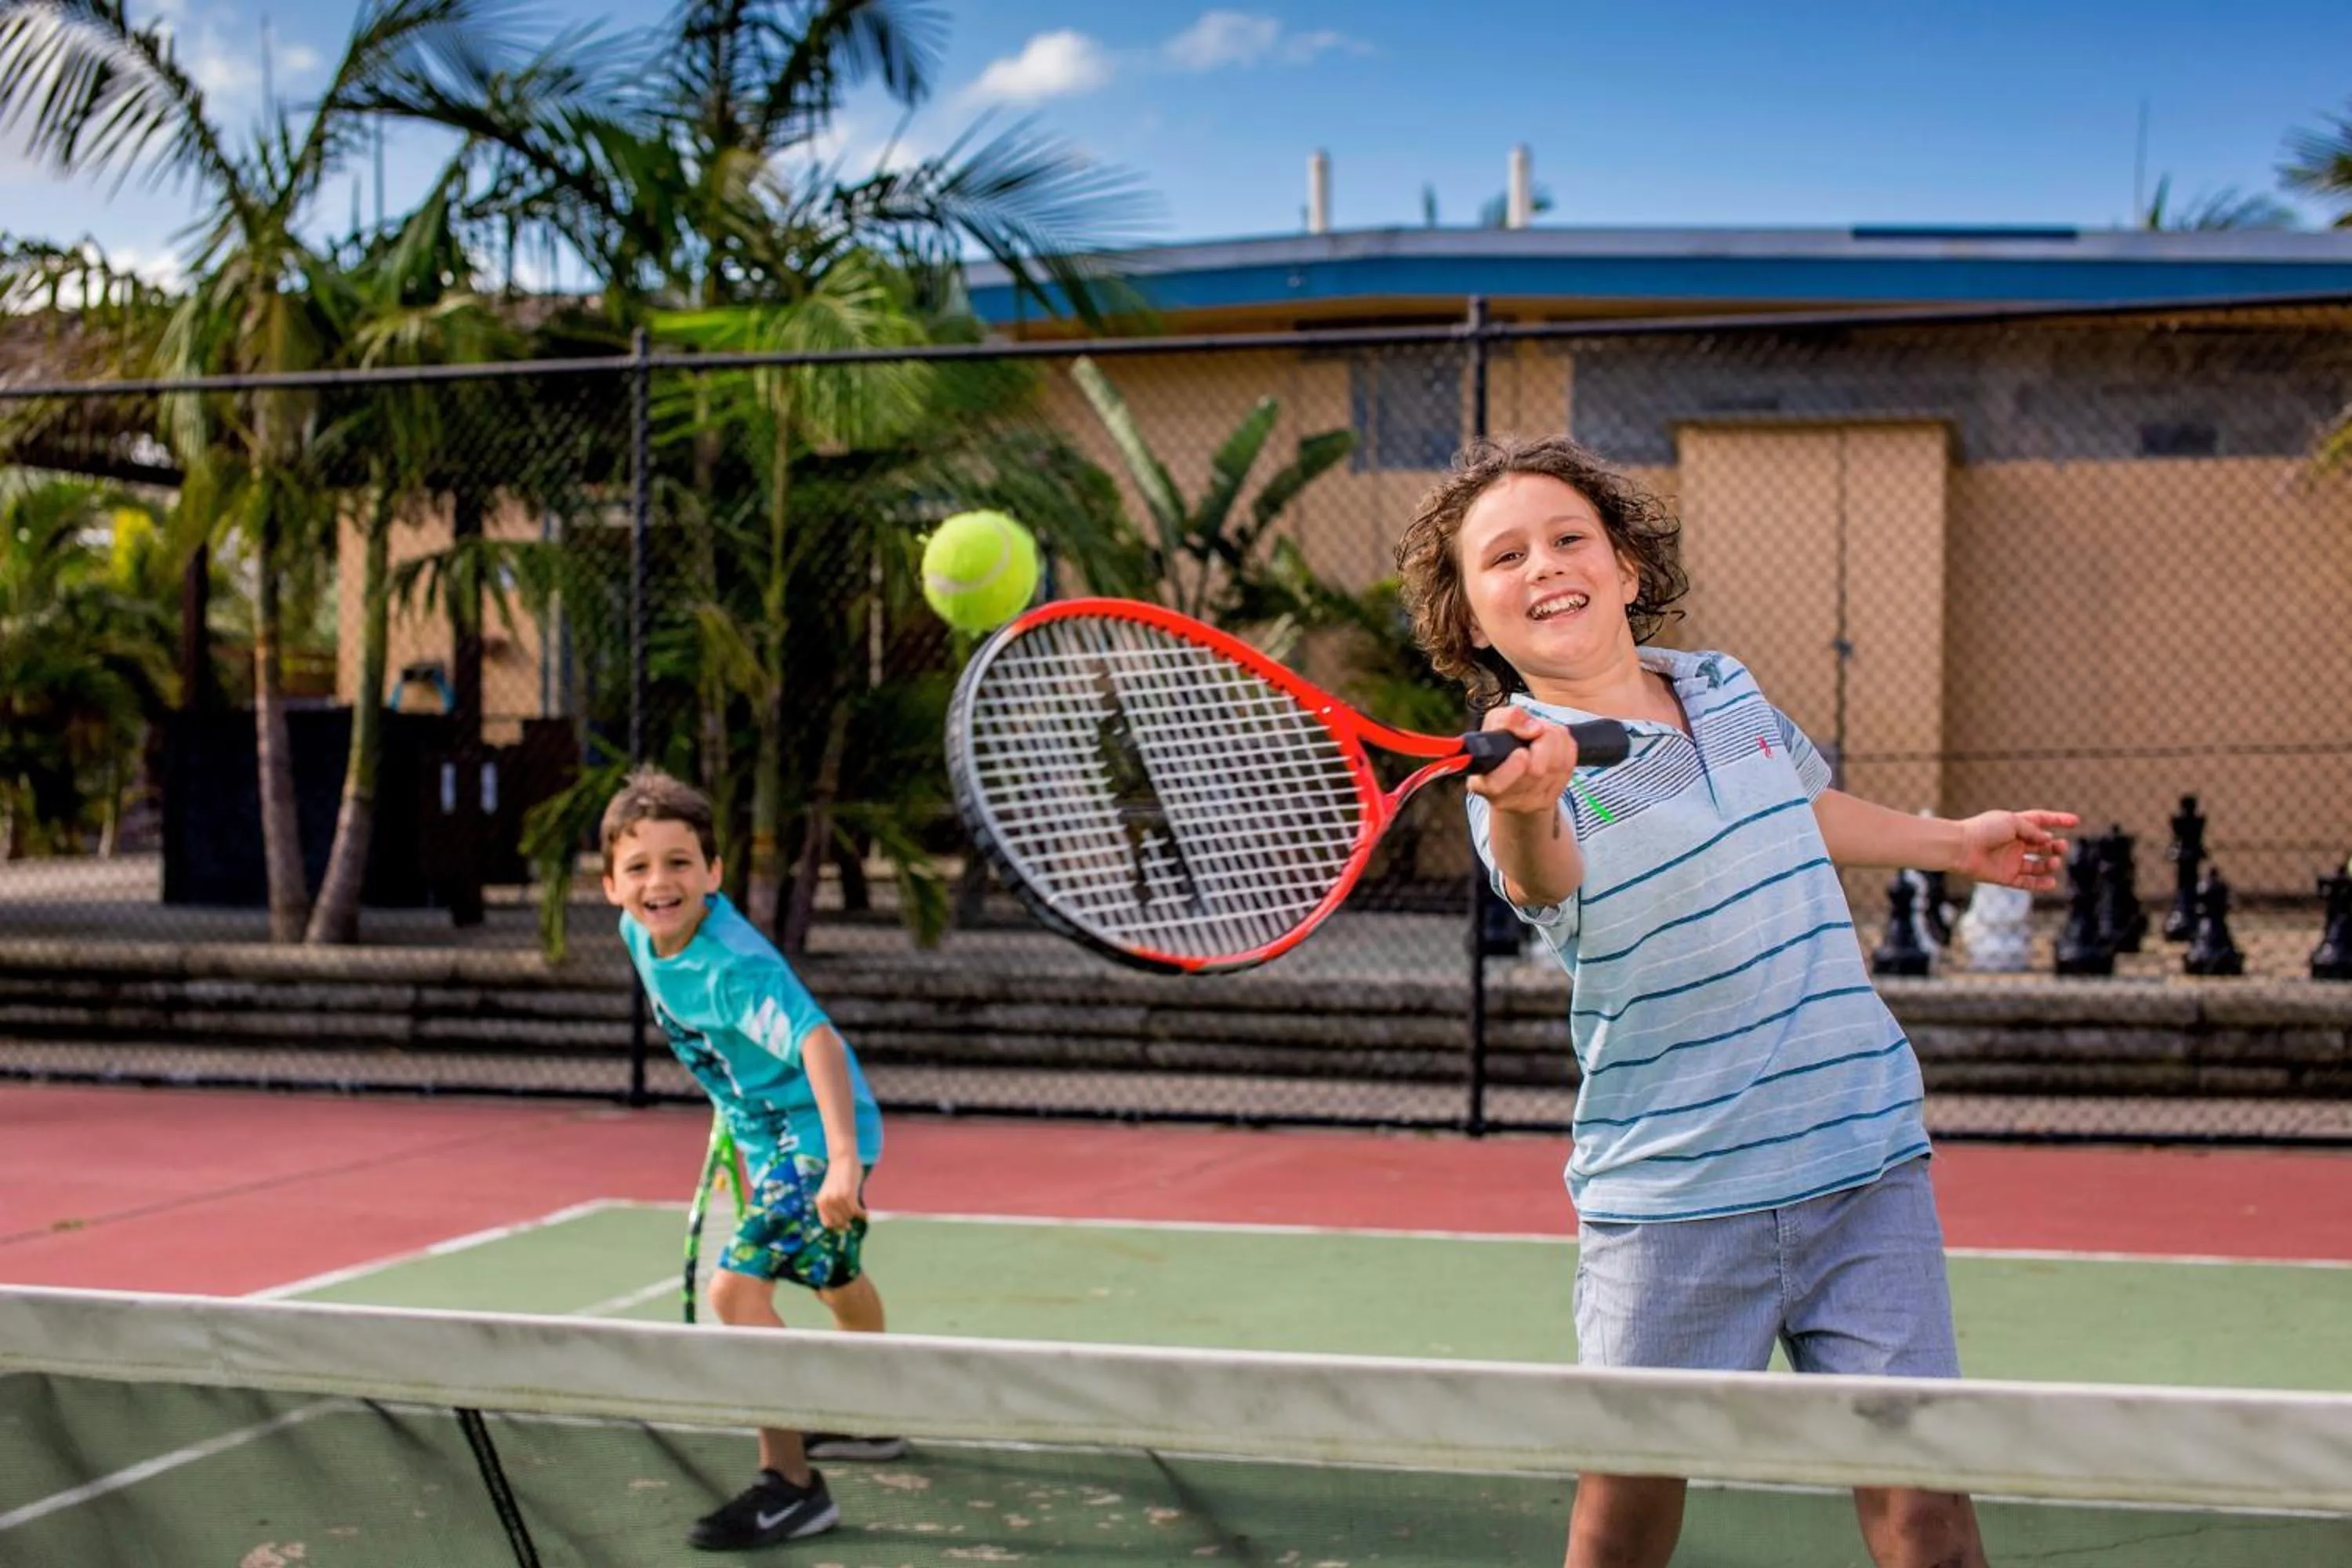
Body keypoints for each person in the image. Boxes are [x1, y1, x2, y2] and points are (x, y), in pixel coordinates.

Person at [1394, 435, 2075, 1568]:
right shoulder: (1513, 777)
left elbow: (1795, 803)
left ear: (1624, 566)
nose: (1547, 564)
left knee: (1927, 1515)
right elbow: (1541, 872)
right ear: (1469, 616)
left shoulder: (1721, 685)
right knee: (1623, 1528)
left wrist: (1957, 843)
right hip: (1675, 1199)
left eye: (1571, 538)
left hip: (1861, 1160)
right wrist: (1527, 799)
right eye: (1504, 555)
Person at [601, 766, 902, 1552]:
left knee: (736, 1293)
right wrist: (733, 1108)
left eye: (679, 862)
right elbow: (723, 1043)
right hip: (767, 1131)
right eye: (639, 866)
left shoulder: (734, 964)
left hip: (814, 1134)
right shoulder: (640, 932)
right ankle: (874, 1415)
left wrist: (838, 1160)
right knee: (832, 1273)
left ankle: (792, 1486)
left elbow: (817, 1042)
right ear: (610, 884)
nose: (659, 881)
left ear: (714, 873)